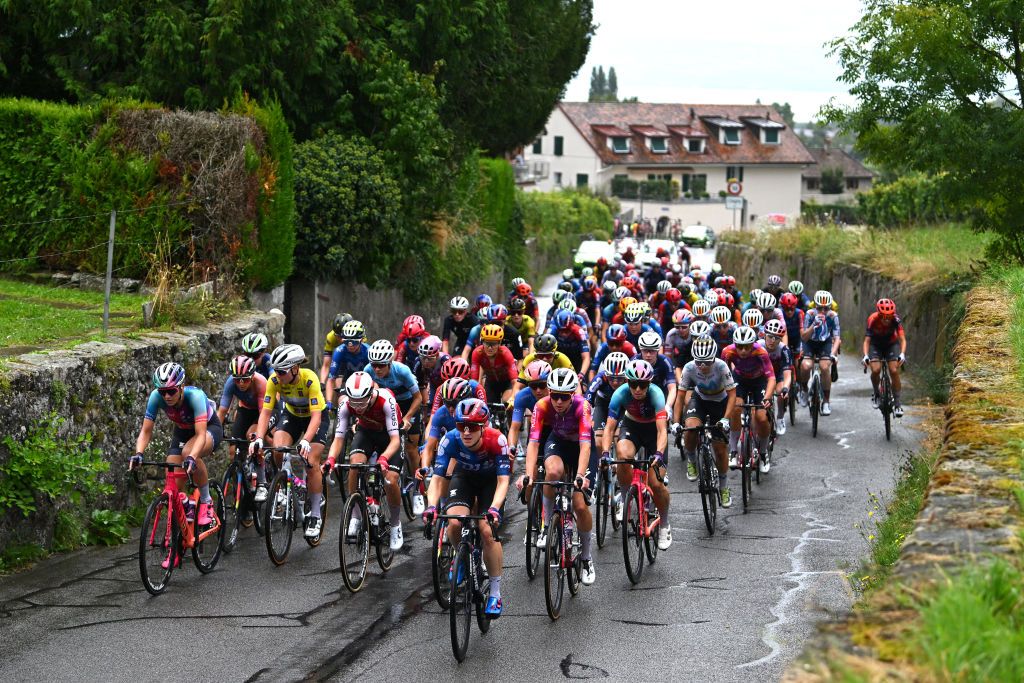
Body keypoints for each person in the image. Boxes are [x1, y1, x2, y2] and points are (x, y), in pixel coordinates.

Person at [423, 399, 511, 616]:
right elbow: (436, 479)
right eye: (462, 426)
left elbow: (503, 481)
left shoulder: (497, 439)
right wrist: (431, 506)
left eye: (472, 427)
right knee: (453, 522)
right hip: (464, 478)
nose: (467, 432)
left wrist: (495, 509)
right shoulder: (450, 439)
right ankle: (462, 557)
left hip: (490, 482)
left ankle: (495, 593)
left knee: (486, 531)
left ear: (483, 427)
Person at [130, 363, 224, 561]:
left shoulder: (195, 397)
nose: (166, 396)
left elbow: (199, 436)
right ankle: (177, 543)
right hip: (182, 431)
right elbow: (146, 431)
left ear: (181, 387)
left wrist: (191, 457)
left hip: (207, 429)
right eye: (162, 391)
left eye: (171, 391)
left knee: (190, 452)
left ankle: (206, 501)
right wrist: (138, 453)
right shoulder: (156, 397)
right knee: (172, 482)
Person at [521, 368, 597, 585]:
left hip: (581, 448)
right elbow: (534, 443)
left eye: (564, 397)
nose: (559, 401)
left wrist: (581, 475)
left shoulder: (583, 407)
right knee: (551, 473)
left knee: (580, 505)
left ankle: (586, 557)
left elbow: (585, 446)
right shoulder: (541, 406)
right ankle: (546, 525)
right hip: (560, 442)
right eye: (555, 395)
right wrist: (528, 474)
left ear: (573, 394)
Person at [250, 344, 330, 538]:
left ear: (295, 368)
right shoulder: (274, 381)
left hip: (314, 417)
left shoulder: (309, 379)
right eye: (275, 370)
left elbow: (316, 418)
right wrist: (259, 438)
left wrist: (306, 440)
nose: (277, 375)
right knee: (278, 448)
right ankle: (284, 481)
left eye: (282, 371)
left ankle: (315, 516)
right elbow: (266, 412)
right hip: (292, 415)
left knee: (311, 461)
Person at [323, 371, 406, 550]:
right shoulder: (346, 404)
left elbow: (395, 440)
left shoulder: (385, 400)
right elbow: (338, 439)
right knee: (355, 465)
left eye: (362, 402)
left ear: (371, 394)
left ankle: (395, 524)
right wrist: (330, 459)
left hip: (389, 436)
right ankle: (355, 516)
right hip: (366, 433)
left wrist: (384, 458)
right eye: (354, 402)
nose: (358, 407)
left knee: (390, 480)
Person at [601, 359, 672, 549]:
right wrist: (606, 453)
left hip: (653, 432)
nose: (638, 389)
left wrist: (658, 453)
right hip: (632, 426)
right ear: (627, 382)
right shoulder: (620, 394)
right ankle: (625, 500)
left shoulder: (656, 395)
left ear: (649, 383)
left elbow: (662, 431)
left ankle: (664, 524)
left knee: (656, 483)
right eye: (633, 384)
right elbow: (609, 429)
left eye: (642, 385)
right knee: (623, 456)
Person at [679, 338, 736, 502]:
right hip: (700, 400)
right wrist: (676, 422)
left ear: (713, 358)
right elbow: (680, 395)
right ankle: (691, 460)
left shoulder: (721, 366)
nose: (702, 366)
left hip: (720, 402)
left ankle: (724, 486)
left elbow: (732, 394)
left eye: (707, 362)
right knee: (690, 428)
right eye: (699, 362)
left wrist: (726, 418)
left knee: (719, 450)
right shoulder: (689, 368)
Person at [365, 340, 422, 481]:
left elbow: (418, 398)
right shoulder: (368, 370)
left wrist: (407, 418)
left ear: (389, 363)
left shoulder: (402, 371)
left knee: (411, 447)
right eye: (374, 365)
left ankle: (418, 487)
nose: (377, 369)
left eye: (381, 365)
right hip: (387, 403)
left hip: (407, 403)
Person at [721, 326, 776, 469]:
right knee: (735, 409)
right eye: (740, 347)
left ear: (753, 345)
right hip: (740, 379)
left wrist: (767, 398)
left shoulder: (761, 352)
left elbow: (771, 378)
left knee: (762, 417)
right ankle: (733, 451)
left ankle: (763, 453)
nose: (743, 351)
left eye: (747, 347)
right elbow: (724, 375)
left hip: (759, 381)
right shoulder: (727, 352)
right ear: (735, 345)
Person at [217, 355, 269, 497]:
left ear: (252, 376)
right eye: (237, 379)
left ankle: (262, 483)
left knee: (252, 436)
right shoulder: (230, 383)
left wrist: (259, 436)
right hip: (245, 409)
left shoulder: (261, 382)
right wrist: (214, 432)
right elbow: (222, 411)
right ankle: (239, 487)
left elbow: (263, 413)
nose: (241, 383)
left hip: (262, 411)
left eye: (245, 379)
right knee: (234, 449)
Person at [798, 291, 841, 415]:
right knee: (806, 366)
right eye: (819, 308)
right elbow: (804, 337)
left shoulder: (833, 316)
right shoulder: (809, 314)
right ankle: (805, 390)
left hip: (825, 343)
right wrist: (813, 325)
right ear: (814, 306)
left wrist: (833, 353)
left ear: (830, 307)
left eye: (826, 308)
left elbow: (837, 337)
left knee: (824, 366)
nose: (822, 311)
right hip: (810, 343)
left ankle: (826, 401)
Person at [862, 298, 906, 417]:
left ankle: (897, 403)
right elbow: (867, 341)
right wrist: (866, 355)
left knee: (894, 370)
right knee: (876, 370)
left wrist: (902, 353)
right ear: (879, 314)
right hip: (875, 345)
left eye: (889, 316)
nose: (886, 319)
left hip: (891, 344)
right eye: (883, 316)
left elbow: (902, 339)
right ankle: (877, 394)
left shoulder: (896, 320)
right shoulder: (873, 319)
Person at [325, 320, 370, 410]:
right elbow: (331, 379)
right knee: (342, 401)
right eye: (346, 342)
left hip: (367, 379)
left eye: (354, 341)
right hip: (347, 377)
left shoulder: (368, 351)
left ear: (361, 340)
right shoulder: (339, 351)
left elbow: (375, 378)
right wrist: (329, 401)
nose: (350, 345)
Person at [470, 324, 518, 405]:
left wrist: (513, 398)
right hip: (491, 383)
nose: (490, 348)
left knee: (506, 402)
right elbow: (474, 381)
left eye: (493, 344)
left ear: (499, 343)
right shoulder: (477, 353)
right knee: (488, 406)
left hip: (507, 382)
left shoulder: (505, 353)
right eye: (487, 343)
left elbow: (514, 381)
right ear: (482, 342)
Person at [763, 319, 794, 439]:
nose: (772, 341)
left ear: (781, 339)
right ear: (764, 335)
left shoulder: (784, 350)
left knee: (780, 391)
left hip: (778, 374)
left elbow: (787, 374)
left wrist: (786, 388)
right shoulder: (758, 345)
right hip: (763, 375)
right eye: (770, 336)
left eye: (776, 338)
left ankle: (780, 416)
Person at [319, 313, 353, 384]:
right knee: (334, 379)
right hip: (341, 358)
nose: (341, 340)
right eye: (338, 336)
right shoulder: (331, 337)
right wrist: (322, 382)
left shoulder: (359, 335)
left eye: (343, 336)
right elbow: (326, 365)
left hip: (355, 359)